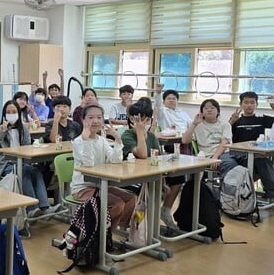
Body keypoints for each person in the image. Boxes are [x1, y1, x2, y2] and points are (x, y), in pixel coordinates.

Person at [70, 104, 135, 243]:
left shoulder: (101, 140)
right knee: (117, 204)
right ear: (83, 120)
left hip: (101, 184)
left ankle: (114, 232)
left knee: (130, 199)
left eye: (99, 117)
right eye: (91, 117)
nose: (96, 121)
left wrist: (118, 140)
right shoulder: (78, 141)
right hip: (83, 187)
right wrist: (86, 140)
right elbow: (88, 164)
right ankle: (99, 235)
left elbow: (115, 160)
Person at [0, 100, 61, 217]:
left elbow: (27, 148)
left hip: (21, 162)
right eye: (8, 112)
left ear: (18, 113)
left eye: (14, 112)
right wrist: (1, 133)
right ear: (4, 115)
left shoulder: (23, 130)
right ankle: (32, 209)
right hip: (5, 165)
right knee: (25, 171)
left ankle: (45, 207)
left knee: (35, 171)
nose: (11, 114)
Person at [122, 97, 184, 230]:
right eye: (138, 119)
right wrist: (139, 131)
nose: (142, 123)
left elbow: (158, 161)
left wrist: (163, 183)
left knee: (179, 177)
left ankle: (165, 211)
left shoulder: (151, 137)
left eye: (145, 120)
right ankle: (137, 225)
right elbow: (143, 154)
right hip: (132, 178)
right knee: (147, 193)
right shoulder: (127, 135)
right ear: (131, 119)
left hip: (151, 176)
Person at [223, 91, 274, 206]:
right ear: (241, 104)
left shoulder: (262, 119)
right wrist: (231, 122)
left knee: (262, 159)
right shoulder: (236, 121)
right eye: (246, 102)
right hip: (240, 156)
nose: (249, 105)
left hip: (257, 155)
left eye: (252, 102)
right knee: (262, 160)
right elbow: (224, 136)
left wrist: (273, 106)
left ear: (257, 105)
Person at [182, 99, 232, 169]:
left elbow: (224, 143)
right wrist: (194, 124)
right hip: (207, 156)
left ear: (218, 111)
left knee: (240, 163)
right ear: (202, 112)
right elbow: (185, 141)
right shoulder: (197, 125)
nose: (209, 110)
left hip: (224, 154)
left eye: (212, 108)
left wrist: (215, 157)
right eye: (206, 108)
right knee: (229, 165)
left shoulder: (225, 125)